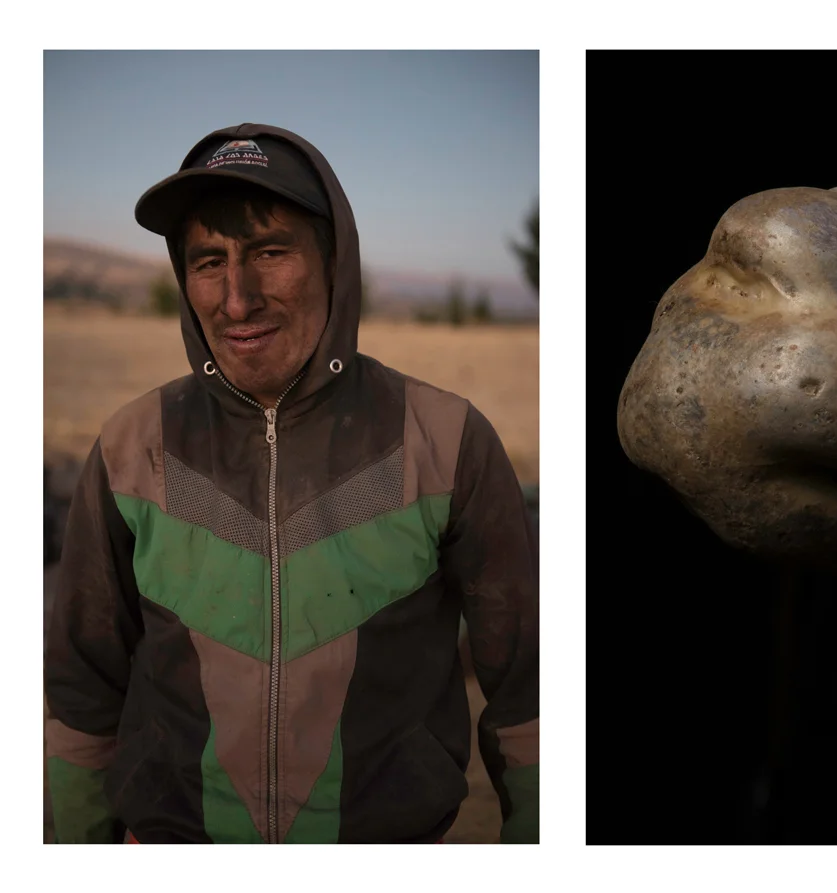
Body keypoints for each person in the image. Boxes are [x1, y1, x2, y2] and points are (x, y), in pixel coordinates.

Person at [44, 124, 539, 844]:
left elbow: (533, 697)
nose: (236, 299)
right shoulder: (131, 446)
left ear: (335, 263)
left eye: (270, 252)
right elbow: (83, 693)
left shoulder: (447, 441)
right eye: (208, 260)